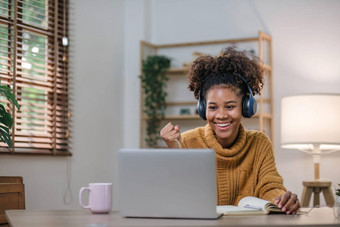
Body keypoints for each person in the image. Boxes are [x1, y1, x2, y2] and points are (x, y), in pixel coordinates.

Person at [160, 46, 300, 215]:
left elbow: (270, 186)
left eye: (230, 106)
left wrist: (281, 200)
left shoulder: (259, 143)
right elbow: (179, 198)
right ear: (203, 108)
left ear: (246, 106)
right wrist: (175, 152)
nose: (221, 115)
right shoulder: (186, 142)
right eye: (212, 107)